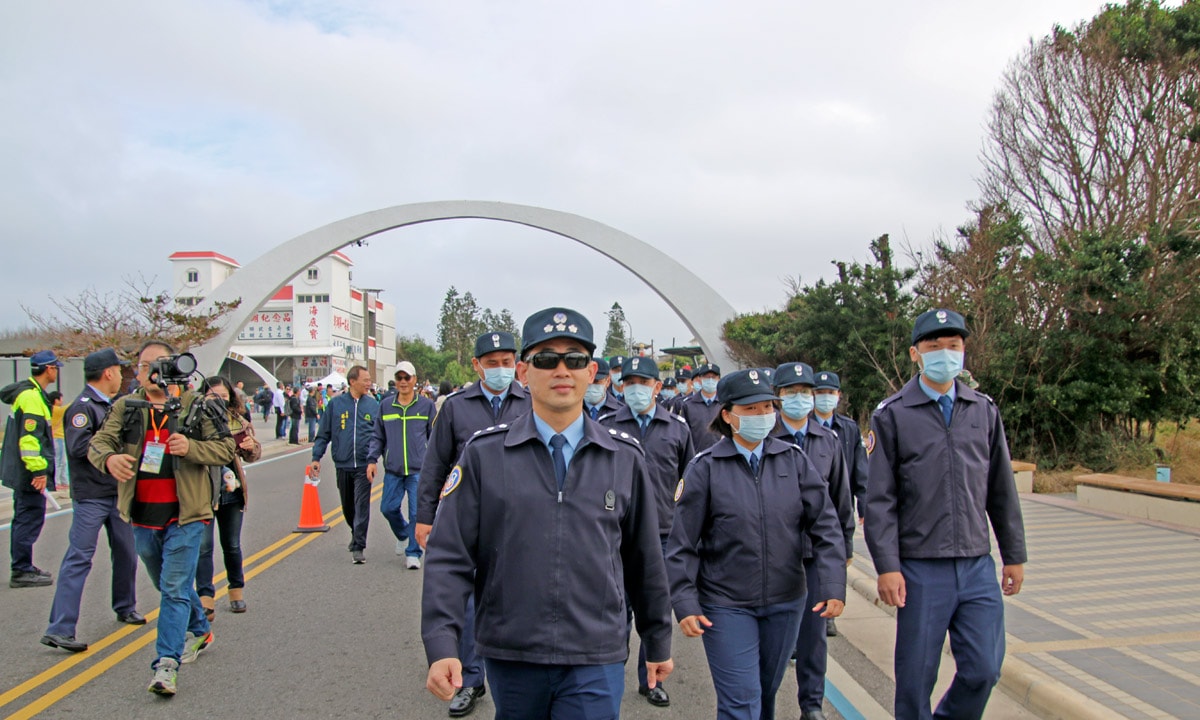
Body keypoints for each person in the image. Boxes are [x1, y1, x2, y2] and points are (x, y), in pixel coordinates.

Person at [423, 307, 674, 720]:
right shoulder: (485, 454)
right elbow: (450, 555)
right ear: (524, 372)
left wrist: (657, 638)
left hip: (596, 653)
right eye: (546, 359)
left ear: (591, 371)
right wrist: (441, 644)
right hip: (513, 650)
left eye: (575, 359)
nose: (562, 370)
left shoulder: (623, 457)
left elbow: (644, 558)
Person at [865, 308, 1027, 720]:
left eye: (953, 346)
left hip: (976, 566)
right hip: (920, 568)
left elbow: (1001, 489)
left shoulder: (983, 409)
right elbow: (879, 499)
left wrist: (1014, 555)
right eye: (934, 347)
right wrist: (887, 566)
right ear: (915, 354)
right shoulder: (893, 415)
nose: (945, 354)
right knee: (916, 677)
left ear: (964, 351)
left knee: (984, 669)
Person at [666, 368, 847, 720]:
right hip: (726, 604)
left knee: (764, 695)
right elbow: (682, 544)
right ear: (728, 415)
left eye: (767, 407)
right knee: (741, 701)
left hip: (786, 600)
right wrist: (685, 601)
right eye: (751, 410)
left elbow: (826, 524)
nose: (763, 416)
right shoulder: (705, 468)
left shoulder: (794, 461)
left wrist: (833, 583)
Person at [88, 340, 235, 696]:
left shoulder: (197, 406)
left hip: (188, 515)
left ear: (176, 367)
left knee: (172, 587)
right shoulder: (127, 407)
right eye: (142, 365)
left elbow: (227, 447)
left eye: (158, 364)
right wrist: (109, 460)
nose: (150, 371)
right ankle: (199, 628)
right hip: (142, 516)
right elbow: (98, 444)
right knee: (169, 582)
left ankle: (165, 665)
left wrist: (192, 448)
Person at [415, 331, 530, 717]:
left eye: (507, 361)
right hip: (466, 517)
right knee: (464, 602)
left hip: (517, 520)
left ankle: (515, 669)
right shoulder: (455, 407)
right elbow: (435, 465)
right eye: (492, 362)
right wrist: (424, 517)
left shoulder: (530, 402)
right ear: (476, 365)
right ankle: (471, 678)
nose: (501, 369)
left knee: (510, 595)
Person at [598, 354, 693, 708]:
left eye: (645, 383)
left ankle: (650, 678)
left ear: (657, 387)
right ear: (622, 387)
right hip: (617, 531)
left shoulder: (678, 429)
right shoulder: (606, 424)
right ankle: (609, 673)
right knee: (616, 606)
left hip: (664, 532)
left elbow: (688, 482)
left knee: (655, 605)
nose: (637, 389)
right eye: (631, 383)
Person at [41, 349, 142, 653]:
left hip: (116, 492)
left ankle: (125, 606)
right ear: (108, 372)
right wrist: (109, 454)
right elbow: (77, 446)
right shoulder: (83, 408)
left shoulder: (112, 405)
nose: (123, 375)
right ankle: (60, 628)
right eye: (119, 370)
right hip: (92, 496)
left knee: (127, 552)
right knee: (79, 557)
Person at [771, 362, 855, 720]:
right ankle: (762, 704)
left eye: (806, 391)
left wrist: (844, 552)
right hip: (773, 554)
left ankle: (812, 705)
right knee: (773, 639)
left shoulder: (828, 441)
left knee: (814, 637)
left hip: (815, 555)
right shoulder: (763, 437)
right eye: (792, 392)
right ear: (777, 397)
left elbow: (840, 500)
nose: (801, 398)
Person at [195, 376, 260, 618]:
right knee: (203, 547)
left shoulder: (237, 421)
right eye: (213, 397)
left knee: (231, 545)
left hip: (232, 493)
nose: (219, 402)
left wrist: (252, 447)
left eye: (223, 397)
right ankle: (205, 598)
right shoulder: (195, 421)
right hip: (202, 492)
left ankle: (236, 591)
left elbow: (252, 455)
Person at [1, 350, 63, 587]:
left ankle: (23, 564)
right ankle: (21, 570)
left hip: (24, 471)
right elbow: (29, 440)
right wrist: (38, 471)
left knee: (25, 518)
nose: (56, 372)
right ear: (49, 369)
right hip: (28, 473)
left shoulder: (32, 394)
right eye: (55, 368)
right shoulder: (32, 398)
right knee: (28, 519)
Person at [367, 361, 435, 569]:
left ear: (415, 380)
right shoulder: (386, 406)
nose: (403, 382)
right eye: (399, 378)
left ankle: (413, 553)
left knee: (417, 513)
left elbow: (435, 438)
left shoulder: (426, 406)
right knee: (387, 508)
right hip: (393, 470)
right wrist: (372, 460)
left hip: (418, 471)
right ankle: (403, 533)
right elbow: (378, 436)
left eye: (407, 378)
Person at [309, 366, 379, 564]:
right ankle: (354, 530)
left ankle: (359, 545)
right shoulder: (336, 405)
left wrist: (376, 458)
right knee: (348, 507)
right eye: (365, 380)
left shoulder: (373, 405)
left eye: (369, 380)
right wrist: (316, 457)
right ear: (352, 381)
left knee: (361, 506)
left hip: (364, 465)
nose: (369, 383)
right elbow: (323, 434)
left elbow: (379, 436)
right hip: (343, 463)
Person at [677, 362, 723, 452]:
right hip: (696, 458)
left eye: (713, 377)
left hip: (721, 457)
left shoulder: (724, 404)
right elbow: (683, 434)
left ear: (719, 379)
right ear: (700, 379)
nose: (710, 380)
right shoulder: (688, 405)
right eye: (707, 377)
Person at [48, 391, 70, 492]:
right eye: (61, 398)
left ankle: (63, 481)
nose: (62, 401)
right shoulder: (56, 409)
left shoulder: (51, 409)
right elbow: (68, 407)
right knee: (60, 461)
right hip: (58, 438)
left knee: (61, 461)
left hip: (56, 437)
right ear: (56, 400)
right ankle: (58, 482)